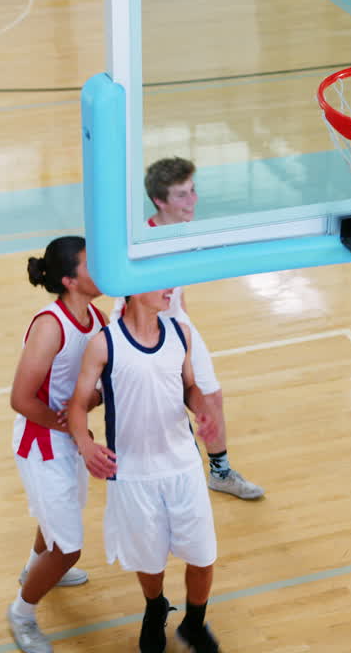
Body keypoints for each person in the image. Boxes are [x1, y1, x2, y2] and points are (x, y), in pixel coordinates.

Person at [67, 288, 223, 653]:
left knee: (202, 557)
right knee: (149, 562)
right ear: (134, 291)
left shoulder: (179, 333)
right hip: (133, 474)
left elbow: (189, 387)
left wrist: (202, 410)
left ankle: (194, 624)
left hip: (183, 467)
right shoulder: (104, 344)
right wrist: (86, 446)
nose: (172, 290)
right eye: (162, 284)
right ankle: (155, 609)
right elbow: (77, 405)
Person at [109, 156, 263, 500]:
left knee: (211, 398)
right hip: (140, 328)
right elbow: (124, 303)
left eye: (192, 191)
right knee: (138, 403)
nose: (192, 201)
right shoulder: (141, 244)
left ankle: (220, 473)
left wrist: (185, 323)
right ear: (159, 201)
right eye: (181, 195)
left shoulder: (185, 231)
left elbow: (178, 290)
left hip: (178, 323)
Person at [7, 236, 106, 653]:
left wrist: (88, 407)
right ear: (69, 280)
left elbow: (92, 389)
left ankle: (34, 569)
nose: (101, 267)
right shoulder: (50, 325)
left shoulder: (96, 317)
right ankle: (22, 614)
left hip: (68, 437)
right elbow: (21, 399)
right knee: (68, 549)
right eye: (90, 263)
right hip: (41, 442)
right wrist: (70, 426)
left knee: (58, 519)